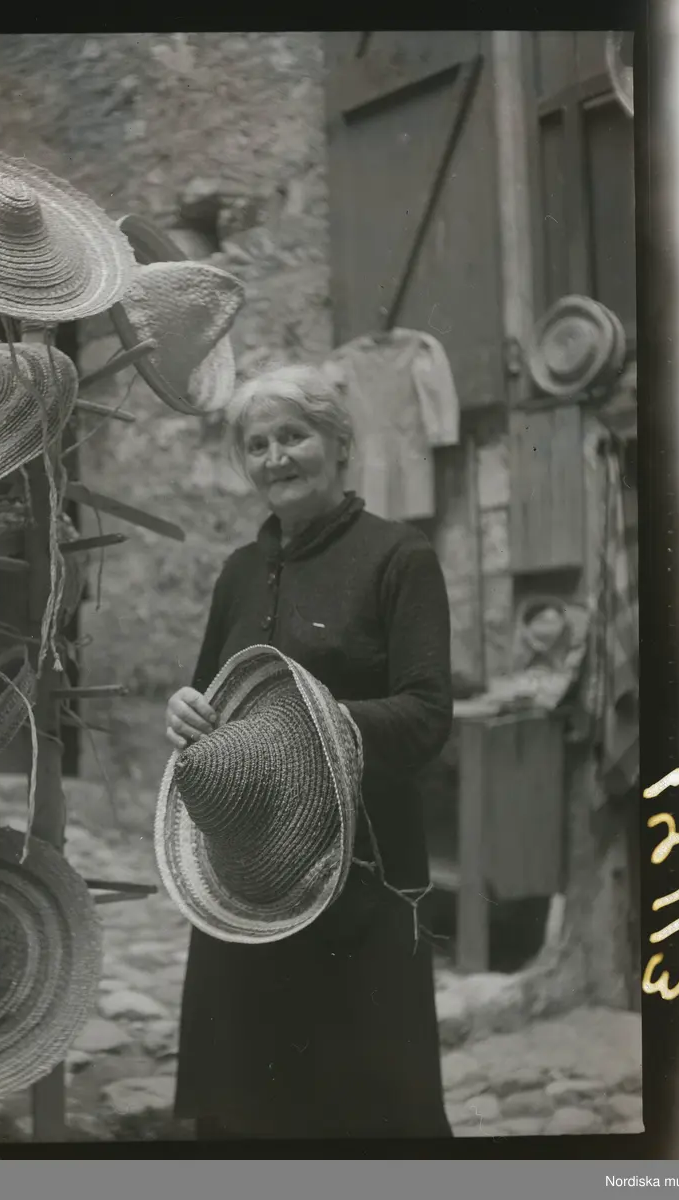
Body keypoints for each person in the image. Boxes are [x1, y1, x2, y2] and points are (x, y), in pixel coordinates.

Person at [165, 363, 454, 1140]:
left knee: (360, 1114)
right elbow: (213, 699)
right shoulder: (239, 571)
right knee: (246, 1107)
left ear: (339, 443)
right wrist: (186, 713)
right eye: (256, 445)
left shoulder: (398, 558)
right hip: (246, 877)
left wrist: (312, 732)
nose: (274, 458)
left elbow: (427, 715)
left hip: (360, 878)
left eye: (292, 436)